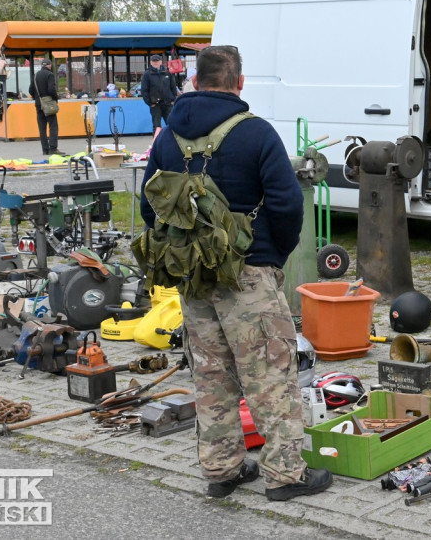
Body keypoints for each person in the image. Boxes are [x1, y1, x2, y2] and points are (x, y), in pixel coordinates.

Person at [139, 45, 333, 502]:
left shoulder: (167, 137)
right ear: (239, 83)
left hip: (194, 279)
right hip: (249, 275)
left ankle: (222, 471)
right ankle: (286, 476)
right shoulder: (257, 133)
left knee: (211, 375)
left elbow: (150, 207)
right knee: (271, 374)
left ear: (192, 82)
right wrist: (272, 256)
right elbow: (287, 205)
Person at [29, 59, 62, 155]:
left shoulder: (35, 75)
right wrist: (56, 98)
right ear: (49, 65)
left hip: (38, 104)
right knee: (53, 126)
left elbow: (31, 90)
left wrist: (37, 98)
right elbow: (51, 89)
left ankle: (45, 150)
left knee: (42, 128)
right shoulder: (49, 75)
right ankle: (53, 148)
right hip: (48, 104)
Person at [139, 54, 176, 131]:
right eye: (154, 61)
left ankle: (172, 142)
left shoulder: (167, 73)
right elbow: (144, 90)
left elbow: (173, 87)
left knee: (172, 125)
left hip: (168, 104)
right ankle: (156, 142)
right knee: (157, 126)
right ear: (150, 62)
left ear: (161, 62)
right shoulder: (147, 74)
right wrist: (150, 103)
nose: (155, 63)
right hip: (155, 105)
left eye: (157, 61)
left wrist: (173, 99)